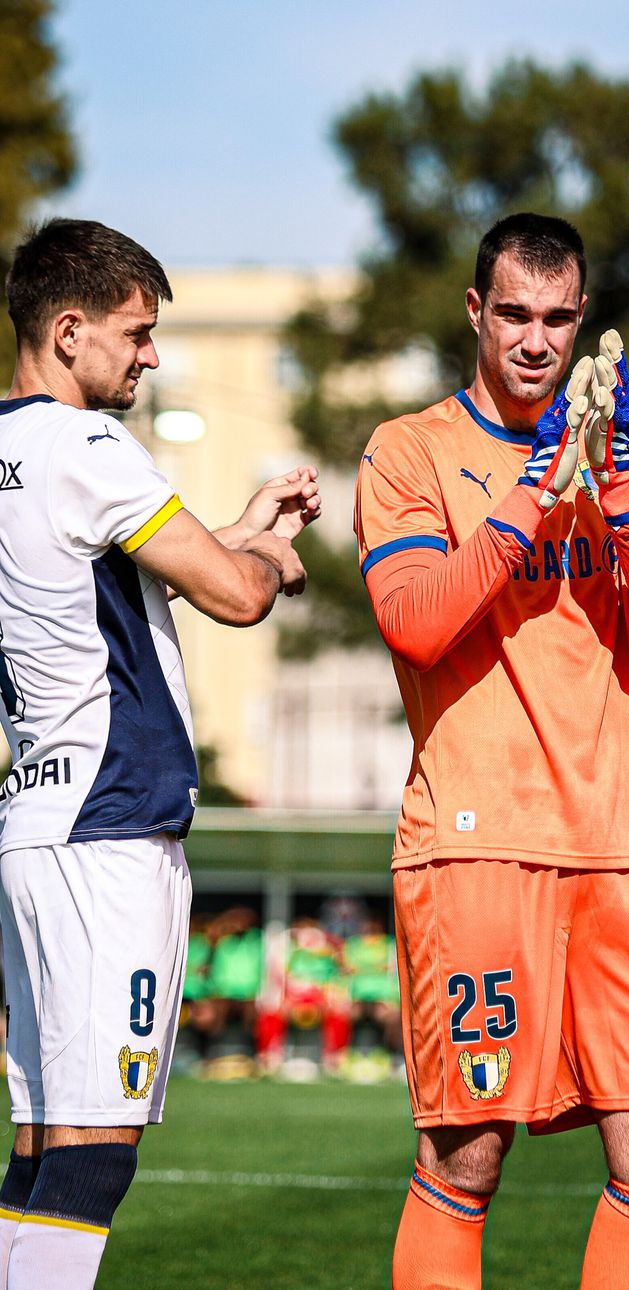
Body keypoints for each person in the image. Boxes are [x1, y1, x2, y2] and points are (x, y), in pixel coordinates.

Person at [354, 212, 629, 1289]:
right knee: (467, 1149)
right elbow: (413, 619)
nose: (534, 339)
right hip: (474, 842)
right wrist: (530, 492)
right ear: (475, 310)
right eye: (512, 312)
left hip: (617, 841)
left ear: (581, 319)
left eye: (557, 318)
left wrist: (615, 493)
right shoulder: (409, 449)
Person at [0, 217, 320, 1290]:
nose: (148, 356)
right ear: (69, 328)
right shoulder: (87, 446)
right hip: (110, 826)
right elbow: (228, 595)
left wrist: (238, 522)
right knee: (95, 1159)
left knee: (42, 1146)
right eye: (136, 335)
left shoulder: (10, 451)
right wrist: (270, 556)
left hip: (36, 825)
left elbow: (116, 577)